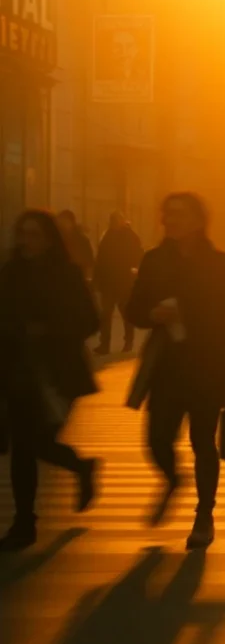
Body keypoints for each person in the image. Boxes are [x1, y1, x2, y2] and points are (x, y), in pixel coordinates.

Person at [125, 193, 225, 550]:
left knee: (203, 442)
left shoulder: (222, 263)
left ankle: (204, 514)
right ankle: (172, 478)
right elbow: (134, 309)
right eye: (166, 214)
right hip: (167, 367)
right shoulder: (154, 261)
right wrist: (153, 314)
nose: (170, 220)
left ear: (199, 219)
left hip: (209, 365)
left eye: (179, 214)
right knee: (156, 439)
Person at [0, 210, 101, 550]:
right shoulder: (11, 273)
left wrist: (49, 331)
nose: (27, 241)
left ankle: (80, 467)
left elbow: (90, 321)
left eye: (35, 235)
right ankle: (24, 523)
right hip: (19, 370)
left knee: (37, 443)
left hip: (58, 374)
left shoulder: (68, 275)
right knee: (23, 449)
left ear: (49, 239)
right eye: (23, 234)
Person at [93, 210, 144, 355]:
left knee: (126, 314)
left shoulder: (130, 236)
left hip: (123, 282)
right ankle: (104, 344)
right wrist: (97, 279)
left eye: (116, 221)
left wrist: (130, 270)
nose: (114, 224)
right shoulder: (107, 236)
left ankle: (128, 342)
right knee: (106, 315)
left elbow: (138, 254)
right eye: (113, 221)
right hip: (108, 283)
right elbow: (101, 259)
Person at [56, 209, 95, 282]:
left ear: (71, 223)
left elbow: (89, 261)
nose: (61, 225)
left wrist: (88, 279)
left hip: (78, 279)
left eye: (63, 222)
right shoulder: (57, 239)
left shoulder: (82, 240)